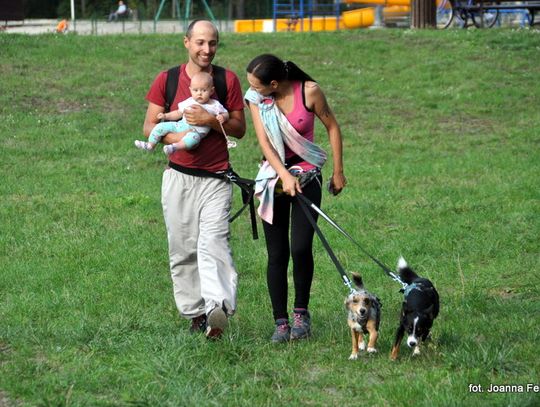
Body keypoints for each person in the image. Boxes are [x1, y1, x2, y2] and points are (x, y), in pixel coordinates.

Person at [143, 20, 246, 339]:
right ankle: (195, 314)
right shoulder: (168, 79)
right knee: (183, 248)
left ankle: (218, 310)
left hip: (216, 179)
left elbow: (240, 129)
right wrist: (181, 136)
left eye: (213, 43)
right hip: (178, 178)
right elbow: (149, 127)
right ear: (186, 42)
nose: (207, 49)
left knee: (215, 244)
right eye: (200, 42)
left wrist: (209, 122)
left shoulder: (227, 80)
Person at [245, 54, 346, 343]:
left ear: (274, 83)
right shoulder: (257, 98)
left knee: (301, 248)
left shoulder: (309, 91)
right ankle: (280, 322)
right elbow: (264, 142)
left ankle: (301, 313)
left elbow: (333, 127)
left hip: (308, 177)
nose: (251, 88)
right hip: (273, 180)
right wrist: (283, 176)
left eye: (256, 84)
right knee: (277, 254)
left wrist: (338, 171)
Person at [135, 71, 229, 155]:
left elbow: (226, 113)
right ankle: (150, 145)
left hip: (196, 132)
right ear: (190, 90)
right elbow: (178, 113)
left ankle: (174, 147)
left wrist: (223, 117)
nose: (199, 93)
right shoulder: (189, 101)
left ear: (211, 91)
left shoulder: (214, 105)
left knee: (193, 139)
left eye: (204, 90)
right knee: (161, 126)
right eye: (195, 90)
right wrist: (165, 115)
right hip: (181, 126)